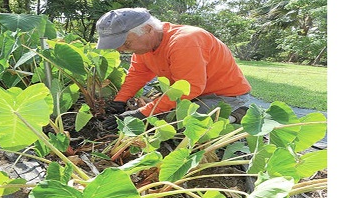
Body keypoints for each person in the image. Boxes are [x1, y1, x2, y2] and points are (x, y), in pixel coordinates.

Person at [95, 7, 252, 130]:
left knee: (175, 125)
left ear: (148, 29)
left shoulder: (185, 41)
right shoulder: (144, 48)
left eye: (126, 43)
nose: (121, 49)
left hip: (225, 97)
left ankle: (237, 115)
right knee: (159, 117)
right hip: (195, 96)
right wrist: (119, 101)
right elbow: (138, 75)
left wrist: (140, 113)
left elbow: (189, 89)